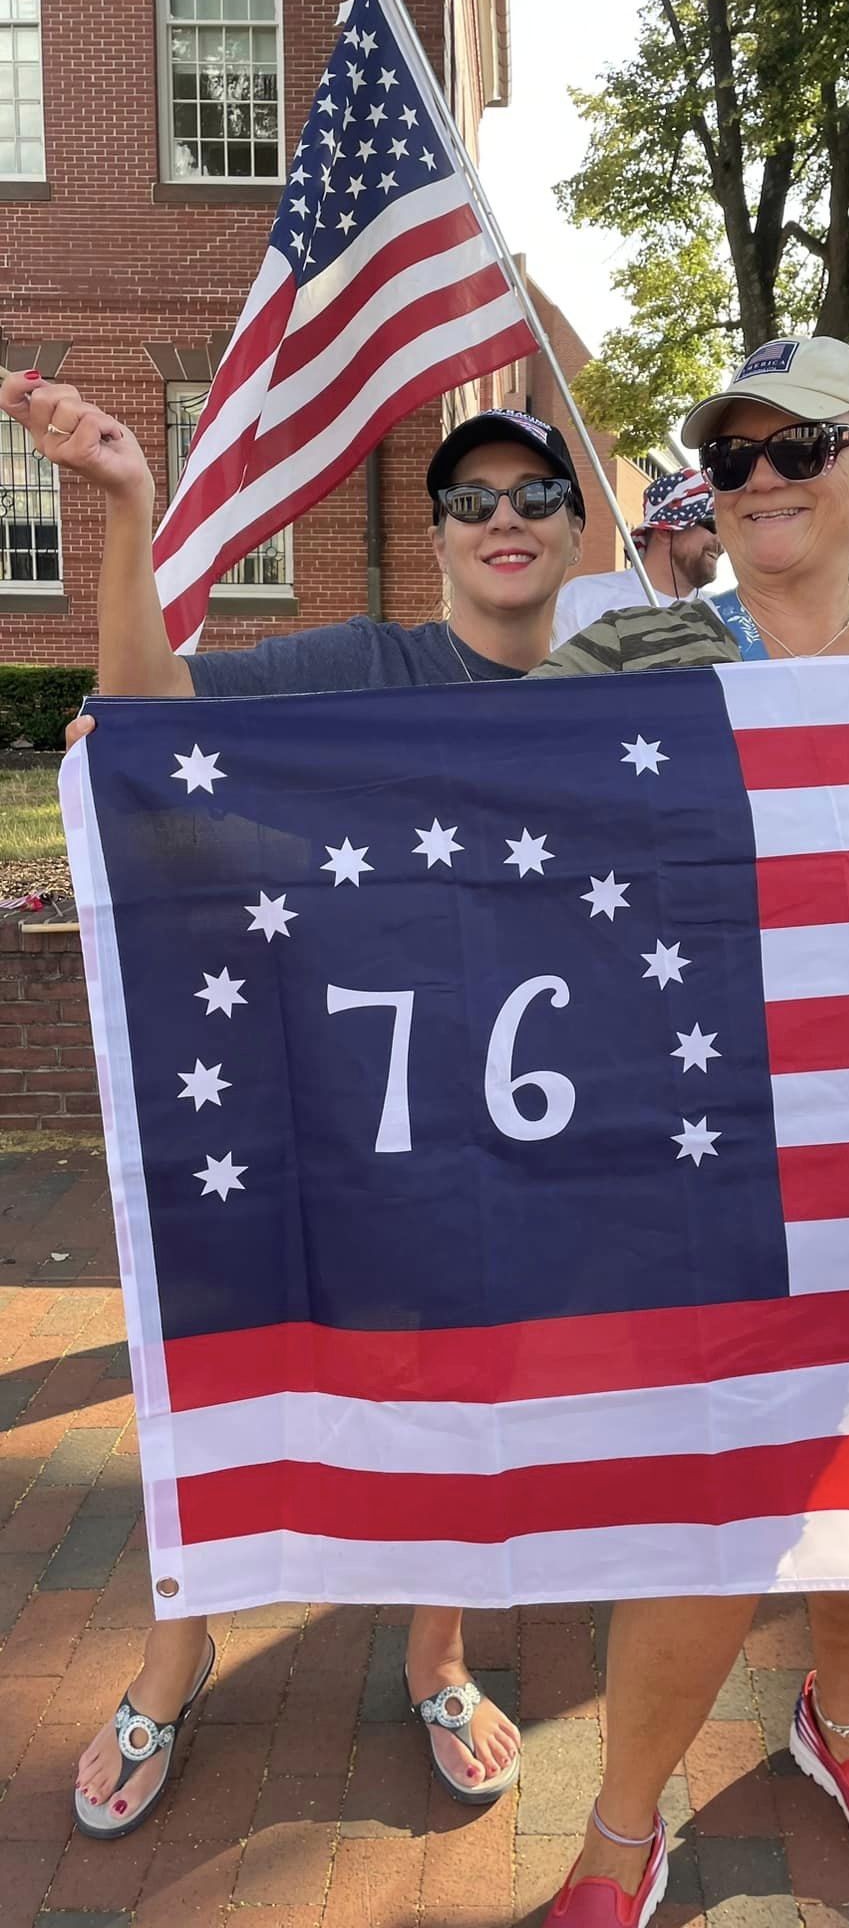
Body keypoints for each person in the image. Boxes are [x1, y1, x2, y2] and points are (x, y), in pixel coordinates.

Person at [0, 369, 587, 1838]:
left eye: (534, 493)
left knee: (470, 1387)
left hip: (507, 1115)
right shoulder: (363, 664)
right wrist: (127, 502)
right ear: (439, 534)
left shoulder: (623, 697)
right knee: (238, 1358)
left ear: (578, 530)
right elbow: (149, 710)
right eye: (469, 498)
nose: (502, 517)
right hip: (317, 1091)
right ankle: (173, 1655)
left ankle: (437, 1656)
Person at [528, 335, 849, 1928]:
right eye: (731, 455)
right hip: (709, 1145)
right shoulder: (637, 656)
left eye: (797, 448)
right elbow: (456, 802)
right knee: (714, 1490)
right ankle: (619, 1825)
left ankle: (844, 1718)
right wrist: (162, 761)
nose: (756, 480)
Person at [550, 466, 721, 648]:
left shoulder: (724, 614)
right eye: (712, 524)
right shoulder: (583, 600)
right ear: (665, 531)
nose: (721, 541)